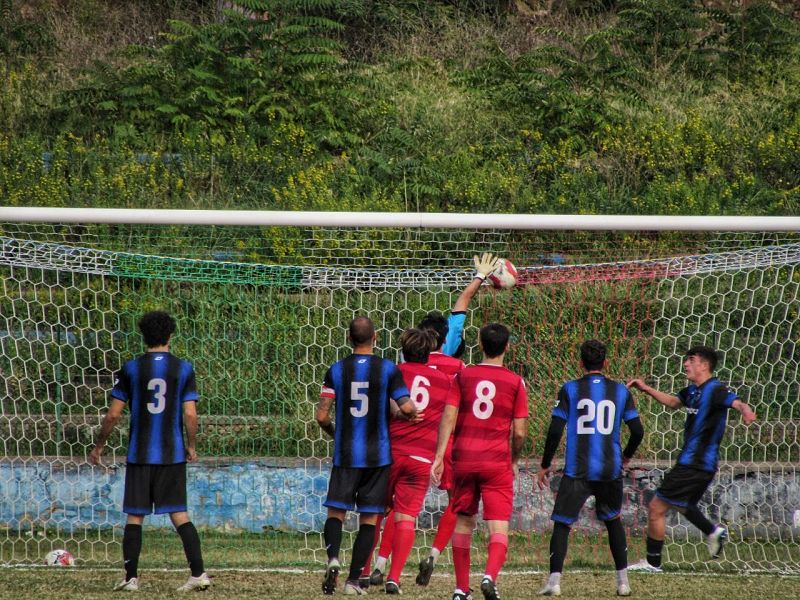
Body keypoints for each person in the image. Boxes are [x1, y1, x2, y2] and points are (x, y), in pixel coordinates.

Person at [364, 252, 501, 588]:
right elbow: (462, 303)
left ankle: (378, 564)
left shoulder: (402, 366)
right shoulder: (455, 367)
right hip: (443, 441)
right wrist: (480, 276)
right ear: (444, 339)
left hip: (397, 444)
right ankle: (434, 554)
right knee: (454, 500)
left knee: (387, 508)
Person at [89, 311, 210, 592]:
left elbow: (113, 415)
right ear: (171, 335)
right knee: (180, 514)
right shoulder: (184, 368)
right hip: (171, 455)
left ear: (143, 336)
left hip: (140, 455)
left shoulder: (131, 368)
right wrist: (191, 445)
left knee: (135, 516)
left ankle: (131, 578)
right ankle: (198, 574)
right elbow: (190, 415)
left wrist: (99, 445)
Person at [627, 345, 757, 573]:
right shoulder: (693, 391)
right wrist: (646, 388)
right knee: (683, 504)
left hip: (695, 463)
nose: (685, 364)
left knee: (656, 507)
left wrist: (745, 411)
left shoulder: (716, 390)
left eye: (691, 360)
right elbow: (673, 402)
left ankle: (652, 563)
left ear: (704, 365)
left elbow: (737, 402)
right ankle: (713, 532)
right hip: (698, 464)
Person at [316, 316, 416, 596]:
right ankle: (352, 581)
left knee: (336, 512)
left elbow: (321, 416)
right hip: (378, 457)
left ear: (349, 339)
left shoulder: (336, 369)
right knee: (369, 519)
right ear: (376, 338)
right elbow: (407, 408)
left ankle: (333, 558)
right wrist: (410, 414)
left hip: (346, 455)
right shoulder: (388, 369)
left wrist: (336, 434)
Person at [536, 340, 644, 597]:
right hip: (609, 470)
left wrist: (545, 463)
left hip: (578, 470)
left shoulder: (570, 389)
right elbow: (638, 431)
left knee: (562, 524)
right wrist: (626, 457)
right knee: (613, 521)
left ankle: (554, 582)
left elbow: (555, 429)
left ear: (580, 363)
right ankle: (623, 582)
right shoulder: (620, 391)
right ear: (605, 363)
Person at [432, 323, 529, 600]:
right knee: (498, 526)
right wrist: (514, 458)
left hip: (464, 459)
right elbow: (519, 432)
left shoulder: (463, 376)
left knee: (463, 523)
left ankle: (461, 589)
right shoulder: (515, 382)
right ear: (507, 347)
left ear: (481, 344)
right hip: (496, 461)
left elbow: (448, 416)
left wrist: (439, 455)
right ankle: (489, 576)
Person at [369, 328, 461, 595]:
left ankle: (365, 572)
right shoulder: (445, 381)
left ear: (403, 350)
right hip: (421, 457)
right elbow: (450, 418)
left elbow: (378, 408)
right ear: (430, 351)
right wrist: (439, 456)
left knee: (375, 513)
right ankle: (394, 578)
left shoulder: (393, 372)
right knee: (406, 518)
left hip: (388, 454)